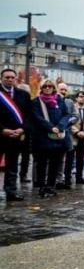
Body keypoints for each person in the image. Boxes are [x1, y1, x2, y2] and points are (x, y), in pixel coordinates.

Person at [31, 79, 73, 198]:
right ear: (41, 87)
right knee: (42, 164)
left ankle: (50, 186)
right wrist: (50, 128)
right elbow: (37, 117)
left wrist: (60, 126)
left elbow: (67, 115)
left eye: (50, 86)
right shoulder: (36, 101)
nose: (48, 88)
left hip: (58, 138)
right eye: (45, 86)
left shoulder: (59, 100)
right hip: (42, 137)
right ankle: (42, 186)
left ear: (54, 88)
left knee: (55, 163)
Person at [0, 68, 33, 201]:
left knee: (12, 165)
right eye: (7, 77)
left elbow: (29, 116)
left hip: (16, 135)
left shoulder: (23, 94)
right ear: (1, 78)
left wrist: (22, 129)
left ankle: (11, 191)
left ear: (15, 79)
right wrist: (3, 130)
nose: (9, 79)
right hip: (1, 134)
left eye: (12, 77)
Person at [64, 90, 84, 186]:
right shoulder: (72, 107)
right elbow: (68, 121)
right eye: (81, 96)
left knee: (81, 159)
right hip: (72, 137)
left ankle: (79, 177)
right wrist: (77, 132)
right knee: (69, 159)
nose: (82, 98)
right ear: (76, 98)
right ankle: (67, 179)